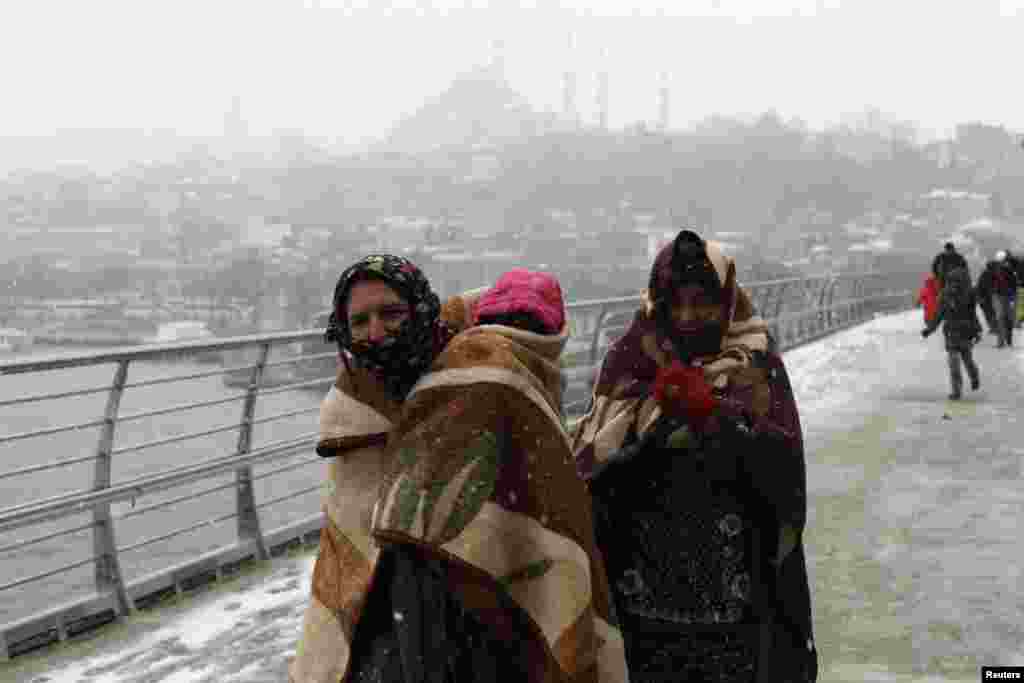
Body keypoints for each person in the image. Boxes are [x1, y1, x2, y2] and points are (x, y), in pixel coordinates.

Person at [572, 229, 817, 683]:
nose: (687, 317)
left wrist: (713, 416)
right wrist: (654, 434)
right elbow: (590, 478)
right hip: (642, 612)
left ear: (725, 301)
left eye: (702, 302)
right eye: (674, 302)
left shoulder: (756, 365)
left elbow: (784, 479)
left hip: (735, 612)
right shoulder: (629, 362)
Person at [290, 254, 481, 683]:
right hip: (388, 613)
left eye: (392, 313)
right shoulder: (352, 411)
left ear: (421, 309)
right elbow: (349, 532)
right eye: (359, 322)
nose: (376, 333)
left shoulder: (478, 380)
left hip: (480, 606)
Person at [921, 266, 982, 399]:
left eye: (957, 282)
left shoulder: (969, 294)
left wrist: (978, 330)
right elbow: (938, 315)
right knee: (954, 364)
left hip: (965, 332)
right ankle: (956, 391)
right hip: (951, 334)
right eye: (952, 282)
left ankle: (974, 377)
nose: (954, 285)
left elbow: (973, 314)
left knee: (968, 361)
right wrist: (929, 329)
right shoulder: (944, 295)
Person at [991, 251, 1019, 348]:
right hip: (1001, 296)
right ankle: (1002, 341)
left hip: (1004, 296)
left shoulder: (1010, 269)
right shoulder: (997, 269)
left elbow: (1013, 284)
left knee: (1005, 318)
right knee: (1002, 318)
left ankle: (1006, 340)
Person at [975, 259, 1000, 337]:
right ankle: (994, 328)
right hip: (985, 297)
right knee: (990, 312)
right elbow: (986, 287)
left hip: (984, 297)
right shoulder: (988, 274)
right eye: (996, 266)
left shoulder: (987, 274)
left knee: (989, 313)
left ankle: (994, 327)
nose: (998, 268)